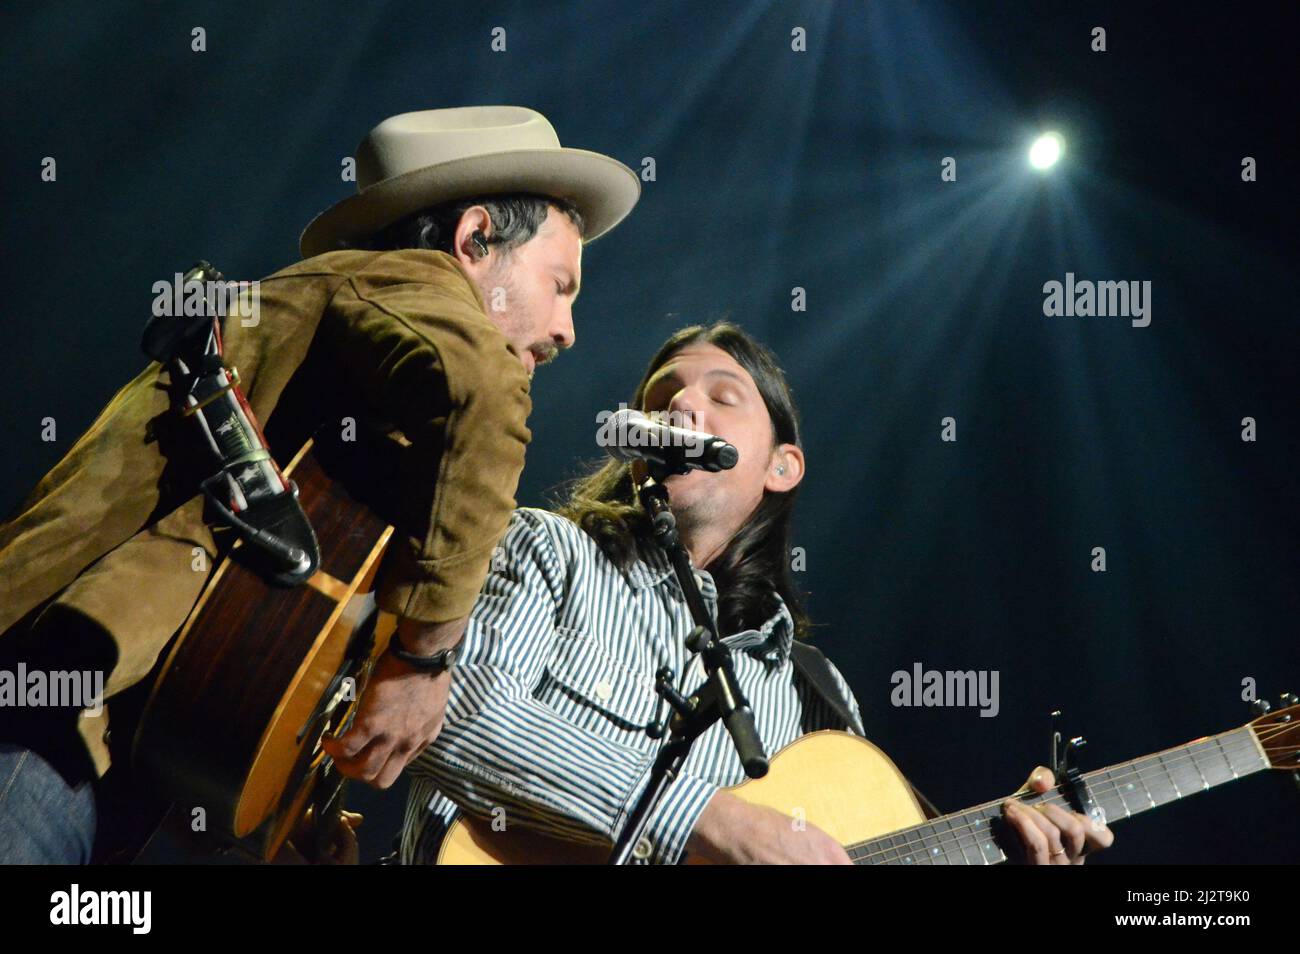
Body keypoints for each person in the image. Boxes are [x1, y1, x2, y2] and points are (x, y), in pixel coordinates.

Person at [0, 105, 640, 863]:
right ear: (473, 241)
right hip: (37, 727)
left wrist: (289, 810)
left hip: (94, 752)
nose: (568, 329)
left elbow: (252, 625)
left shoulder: (366, 408)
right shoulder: (406, 280)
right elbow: (483, 397)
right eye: (559, 283)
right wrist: (424, 660)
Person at [400, 322, 1115, 864]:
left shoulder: (816, 692)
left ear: (781, 466)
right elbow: (445, 715)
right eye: (660, 398)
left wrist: (1005, 846)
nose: (680, 402)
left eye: (723, 395)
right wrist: (708, 821)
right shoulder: (548, 550)